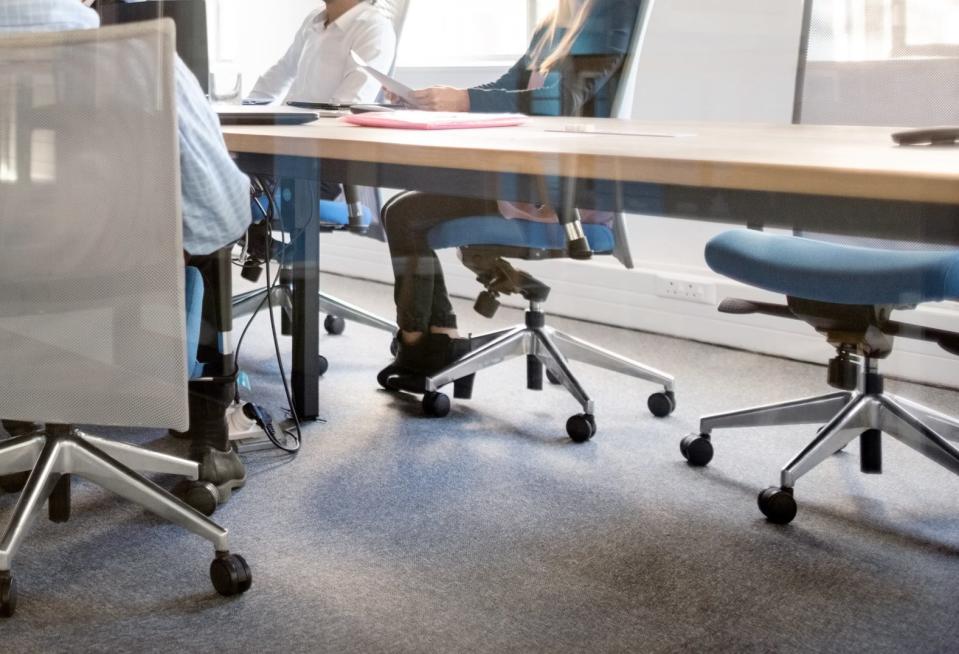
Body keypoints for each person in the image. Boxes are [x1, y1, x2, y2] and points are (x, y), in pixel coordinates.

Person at [0, 0, 253, 501]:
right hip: (117, 322)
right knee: (199, 251)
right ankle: (206, 432)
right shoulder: (140, 60)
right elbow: (220, 217)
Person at [379, 0, 641, 383]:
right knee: (401, 209)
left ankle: (418, 343)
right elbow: (508, 86)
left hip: (564, 193)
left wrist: (465, 100)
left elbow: (560, 100)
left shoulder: (613, 9)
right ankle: (435, 339)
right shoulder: (556, 21)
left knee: (406, 215)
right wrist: (433, 101)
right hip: (527, 178)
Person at [246, 0, 395, 201]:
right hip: (286, 147)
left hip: (323, 162)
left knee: (232, 192)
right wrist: (244, 112)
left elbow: (346, 108)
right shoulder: (314, 20)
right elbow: (281, 72)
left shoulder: (374, 27)